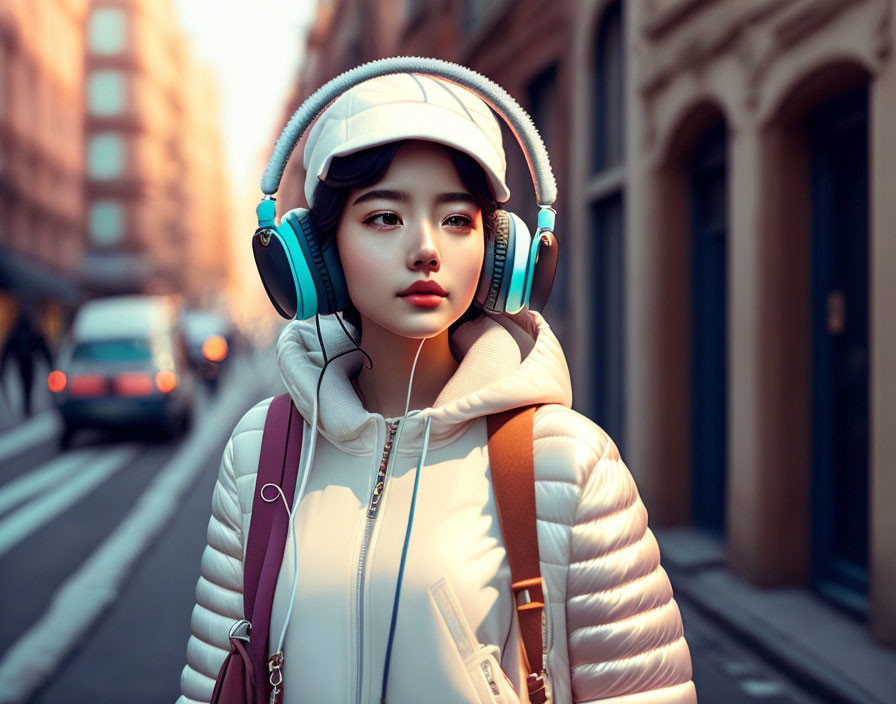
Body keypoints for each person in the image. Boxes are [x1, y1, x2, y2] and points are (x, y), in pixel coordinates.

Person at [179, 62, 696, 704]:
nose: (426, 248)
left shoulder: (568, 462)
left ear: (502, 255)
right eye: (384, 218)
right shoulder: (260, 453)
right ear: (316, 256)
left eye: (457, 220)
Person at [0, 309, 54, 418]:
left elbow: (6, 355)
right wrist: (51, 367)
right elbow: (44, 352)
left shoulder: (15, 336)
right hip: (28, 366)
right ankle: (27, 406)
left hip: (24, 366)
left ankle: (26, 406)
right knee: (28, 385)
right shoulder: (30, 335)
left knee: (26, 385)